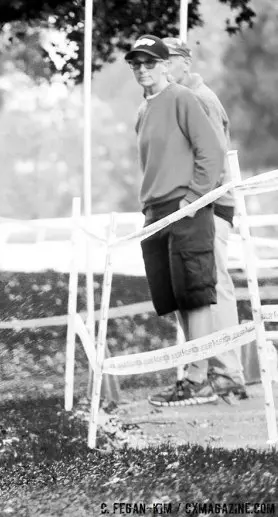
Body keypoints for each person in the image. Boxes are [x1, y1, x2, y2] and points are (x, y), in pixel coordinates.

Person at [125, 35, 226, 407]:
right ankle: (192, 376)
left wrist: (192, 199)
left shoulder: (183, 98)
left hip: (186, 209)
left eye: (149, 62)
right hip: (156, 213)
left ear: (166, 64)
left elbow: (212, 152)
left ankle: (200, 380)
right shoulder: (144, 109)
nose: (142, 69)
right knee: (176, 298)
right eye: (136, 63)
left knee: (196, 296)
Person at [163, 37, 248, 399]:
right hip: (196, 206)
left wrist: (193, 202)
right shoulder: (179, 99)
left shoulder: (198, 98)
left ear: (185, 62)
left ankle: (228, 373)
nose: (160, 69)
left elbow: (213, 160)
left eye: (167, 62)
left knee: (215, 287)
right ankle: (207, 372)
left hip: (211, 205)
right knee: (197, 291)